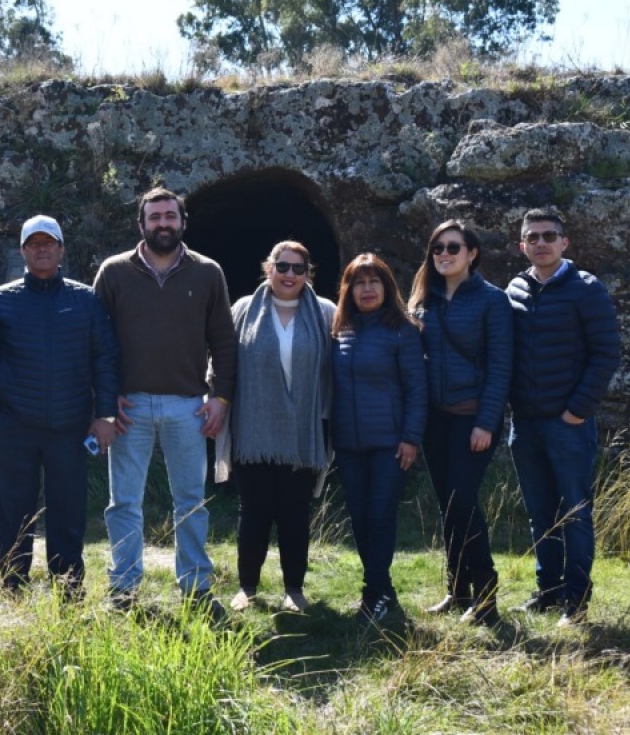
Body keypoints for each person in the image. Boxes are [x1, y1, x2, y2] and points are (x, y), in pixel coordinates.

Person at [92, 187, 237, 612]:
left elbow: (224, 343)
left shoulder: (208, 273)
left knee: (191, 500)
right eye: (154, 217)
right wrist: (103, 401)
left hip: (187, 404)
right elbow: (96, 342)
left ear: (183, 222)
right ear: (141, 225)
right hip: (128, 406)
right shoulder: (114, 272)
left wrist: (221, 398)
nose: (163, 224)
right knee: (124, 503)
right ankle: (124, 587)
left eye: (170, 216)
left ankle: (195, 586)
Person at [0, 215, 120, 596]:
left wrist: (104, 415)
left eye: (48, 243)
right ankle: (13, 584)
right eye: (33, 243)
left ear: (61, 250)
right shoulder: (1, 301)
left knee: (68, 510)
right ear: (22, 250)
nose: (41, 249)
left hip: (69, 427)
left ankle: (68, 586)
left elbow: (105, 359)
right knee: (13, 511)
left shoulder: (85, 299)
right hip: (14, 427)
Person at [507, 208, 620, 626]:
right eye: (533, 237)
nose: (541, 243)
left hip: (567, 423)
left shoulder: (586, 289)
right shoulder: (515, 288)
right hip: (525, 422)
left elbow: (606, 353)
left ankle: (577, 600)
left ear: (564, 242)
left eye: (549, 236)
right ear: (523, 245)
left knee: (574, 510)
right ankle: (548, 592)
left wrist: (577, 410)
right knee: (540, 511)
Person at [218, 241, 335, 614]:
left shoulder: (325, 313)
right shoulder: (242, 311)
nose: (289, 275)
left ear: (308, 273)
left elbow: (339, 368)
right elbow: (222, 363)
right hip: (253, 431)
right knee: (253, 511)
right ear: (269, 268)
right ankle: (247, 587)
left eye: (298, 269)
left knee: (295, 514)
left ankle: (294, 590)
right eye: (282, 266)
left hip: (302, 431)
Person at [408, 221, 512, 626]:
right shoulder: (424, 300)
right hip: (436, 421)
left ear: (472, 253)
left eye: (453, 247)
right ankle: (457, 591)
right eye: (437, 248)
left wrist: (486, 423)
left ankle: (486, 598)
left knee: (465, 503)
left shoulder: (492, 301)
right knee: (449, 505)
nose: (444, 254)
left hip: (473, 419)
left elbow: (501, 367)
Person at [330, 253, 426, 622]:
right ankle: (382, 592)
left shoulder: (403, 329)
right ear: (348, 290)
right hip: (349, 443)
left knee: (381, 515)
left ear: (387, 287)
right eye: (359, 282)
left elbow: (417, 389)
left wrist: (410, 438)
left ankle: (374, 593)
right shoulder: (340, 329)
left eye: (374, 282)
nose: (367, 289)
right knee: (359, 516)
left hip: (390, 443)